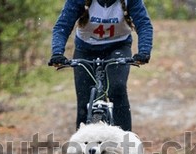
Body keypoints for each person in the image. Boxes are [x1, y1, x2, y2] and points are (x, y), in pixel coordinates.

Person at [49, 0, 153, 131]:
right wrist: (57, 53)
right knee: (84, 102)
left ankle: (127, 144)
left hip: (118, 47)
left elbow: (143, 24)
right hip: (86, 49)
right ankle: (81, 148)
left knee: (117, 89)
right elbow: (62, 26)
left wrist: (144, 51)